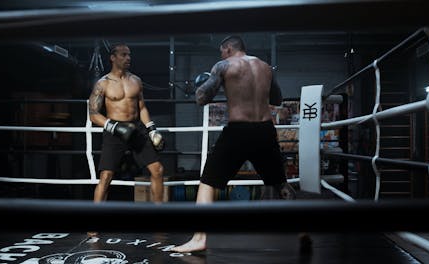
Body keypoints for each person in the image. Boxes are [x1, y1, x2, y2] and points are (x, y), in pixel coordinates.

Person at [171, 35, 296, 253]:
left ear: (228, 48)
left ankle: (200, 238)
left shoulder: (224, 65)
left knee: (207, 183)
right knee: (280, 183)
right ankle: (303, 233)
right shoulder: (265, 66)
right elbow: (277, 99)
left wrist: (204, 84)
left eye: (221, 51)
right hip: (265, 131)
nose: (220, 55)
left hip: (239, 131)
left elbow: (201, 98)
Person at [87, 43, 165, 237]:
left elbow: (142, 107)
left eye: (129, 54)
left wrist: (152, 129)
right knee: (106, 176)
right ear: (113, 58)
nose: (128, 58)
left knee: (157, 170)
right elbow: (93, 114)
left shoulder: (136, 81)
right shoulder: (103, 83)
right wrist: (114, 126)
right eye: (123, 55)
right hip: (114, 131)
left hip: (136, 129)